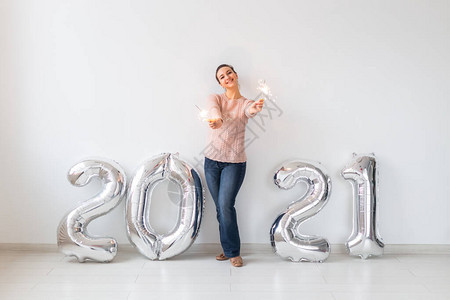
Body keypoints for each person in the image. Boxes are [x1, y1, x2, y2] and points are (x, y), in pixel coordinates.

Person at [204, 64, 264, 267]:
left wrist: (254, 109)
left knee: (225, 205)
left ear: (236, 75)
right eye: (222, 76)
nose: (226, 77)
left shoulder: (246, 103)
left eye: (229, 73)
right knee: (221, 209)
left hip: (234, 163)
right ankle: (228, 248)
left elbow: (249, 110)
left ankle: (233, 252)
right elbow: (213, 110)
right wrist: (217, 120)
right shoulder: (216, 98)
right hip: (211, 162)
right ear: (220, 82)